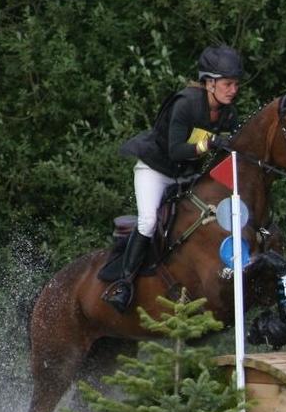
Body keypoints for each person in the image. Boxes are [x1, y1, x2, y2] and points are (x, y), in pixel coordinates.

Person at [103, 45, 243, 312]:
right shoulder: (185, 104)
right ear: (210, 83)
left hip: (186, 176)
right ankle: (124, 284)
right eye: (228, 84)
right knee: (148, 220)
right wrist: (209, 144)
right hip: (156, 171)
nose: (233, 90)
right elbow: (176, 149)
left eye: (236, 84)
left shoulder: (228, 113)